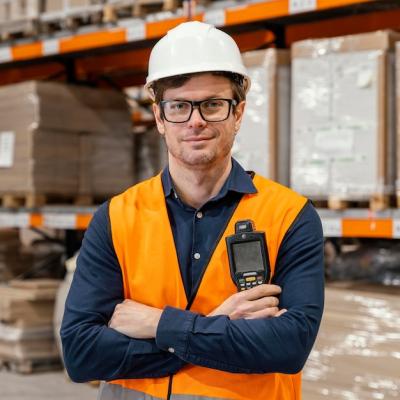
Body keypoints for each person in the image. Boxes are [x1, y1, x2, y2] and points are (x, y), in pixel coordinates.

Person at [61, 21, 324, 400]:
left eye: (213, 105)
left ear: (238, 113)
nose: (196, 120)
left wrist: (158, 323)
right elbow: (81, 354)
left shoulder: (290, 215)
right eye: (180, 106)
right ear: (159, 116)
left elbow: (289, 346)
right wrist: (216, 329)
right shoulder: (117, 217)